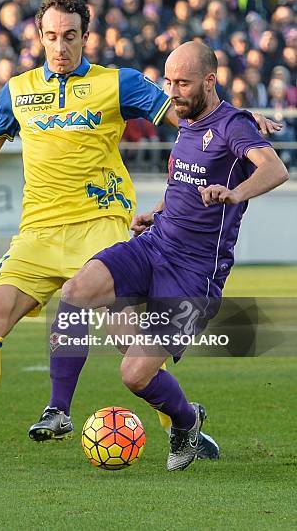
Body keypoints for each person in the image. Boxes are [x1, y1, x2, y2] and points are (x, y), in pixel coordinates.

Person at [0, 0, 279, 467]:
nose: (61, 46)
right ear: (39, 36)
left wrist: (241, 120)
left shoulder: (119, 83)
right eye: (51, 36)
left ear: (86, 36)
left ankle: (182, 422)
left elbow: (189, 114)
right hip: (38, 232)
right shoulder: (17, 91)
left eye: (70, 36)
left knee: (130, 345)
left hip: (102, 223)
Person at [47, 41, 288, 472]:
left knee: (134, 374)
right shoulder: (189, 119)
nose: (172, 91)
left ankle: (187, 420)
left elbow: (275, 169)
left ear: (209, 81)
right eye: (168, 81)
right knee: (77, 290)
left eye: (182, 83)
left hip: (193, 274)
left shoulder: (233, 126)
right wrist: (157, 211)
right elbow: (186, 179)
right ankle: (57, 410)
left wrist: (236, 193)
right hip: (154, 245)